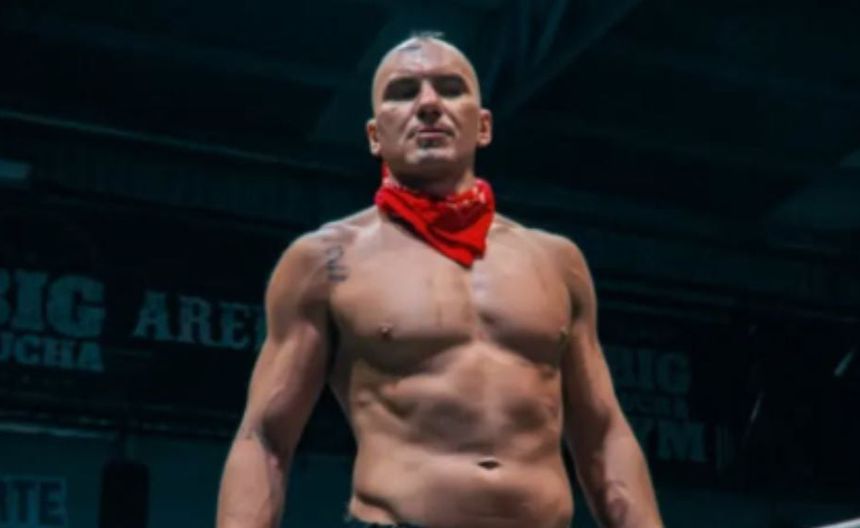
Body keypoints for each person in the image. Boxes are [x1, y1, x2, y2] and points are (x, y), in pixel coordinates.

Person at [216, 33, 663, 528]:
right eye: (403, 92)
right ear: (374, 136)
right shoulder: (327, 260)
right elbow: (265, 438)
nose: (429, 104)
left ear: (483, 126)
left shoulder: (557, 261)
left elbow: (603, 436)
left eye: (450, 88)